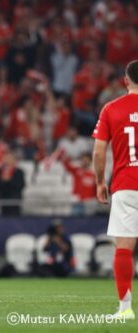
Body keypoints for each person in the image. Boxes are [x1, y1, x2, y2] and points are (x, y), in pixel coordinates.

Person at [92, 60, 138, 319]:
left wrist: (100, 181)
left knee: (124, 247)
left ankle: (125, 309)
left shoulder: (112, 109)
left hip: (127, 185)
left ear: (125, 80)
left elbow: (99, 151)